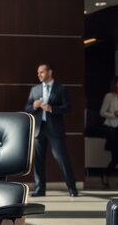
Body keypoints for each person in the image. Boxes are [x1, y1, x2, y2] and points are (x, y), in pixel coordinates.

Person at [24, 63, 78, 197]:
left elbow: (68, 107)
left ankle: (72, 188)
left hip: (55, 129)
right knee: (38, 161)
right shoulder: (35, 89)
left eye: (42, 72)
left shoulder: (60, 88)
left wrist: (52, 109)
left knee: (62, 158)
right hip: (38, 129)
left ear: (50, 72)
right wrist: (34, 106)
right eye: (38, 73)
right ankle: (39, 189)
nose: (39, 75)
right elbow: (27, 108)